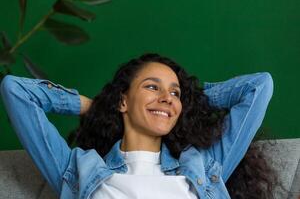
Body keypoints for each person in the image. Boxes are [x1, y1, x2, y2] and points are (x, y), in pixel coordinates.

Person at [0, 53, 275, 198]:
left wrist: (190, 100)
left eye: (175, 92)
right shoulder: (78, 169)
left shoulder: (203, 165)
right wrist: (95, 105)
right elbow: (16, 91)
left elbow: (259, 86)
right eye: (152, 87)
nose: (167, 98)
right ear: (123, 101)